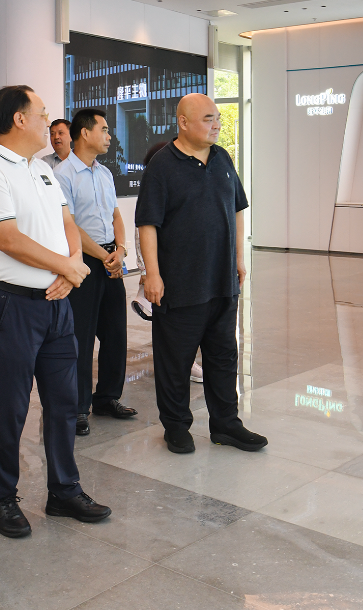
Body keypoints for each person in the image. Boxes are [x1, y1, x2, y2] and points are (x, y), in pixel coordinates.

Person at [0, 85, 111, 539]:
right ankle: (3, 498)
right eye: (42, 113)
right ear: (19, 119)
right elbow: (8, 239)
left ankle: (64, 490)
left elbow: (68, 223)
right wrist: (65, 267)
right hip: (11, 306)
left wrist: (71, 267)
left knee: (64, 402)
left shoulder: (43, 170)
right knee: (9, 407)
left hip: (56, 304)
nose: (49, 121)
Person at [136, 93, 267, 455]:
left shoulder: (222, 158)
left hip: (222, 281)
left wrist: (238, 258)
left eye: (218, 118)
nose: (217, 125)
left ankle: (226, 425)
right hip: (180, 283)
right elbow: (147, 223)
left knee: (223, 356)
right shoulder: (162, 165)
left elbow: (237, 208)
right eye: (209, 118)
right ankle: (176, 426)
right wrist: (152, 274)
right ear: (183, 122)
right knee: (175, 362)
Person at [54, 109, 136, 437]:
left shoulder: (104, 173)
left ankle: (107, 398)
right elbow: (69, 225)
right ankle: (77, 407)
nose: (109, 136)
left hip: (110, 258)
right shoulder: (63, 174)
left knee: (115, 333)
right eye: (104, 129)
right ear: (85, 133)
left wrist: (121, 249)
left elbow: (116, 214)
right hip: (83, 261)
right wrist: (104, 256)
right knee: (81, 337)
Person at [132, 142, 204, 384]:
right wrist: (146, 271)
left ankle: (185, 362)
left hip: (187, 270)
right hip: (165, 272)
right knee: (171, 324)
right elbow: (142, 232)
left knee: (188, 321)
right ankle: (180, 366)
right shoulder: (154, 188)